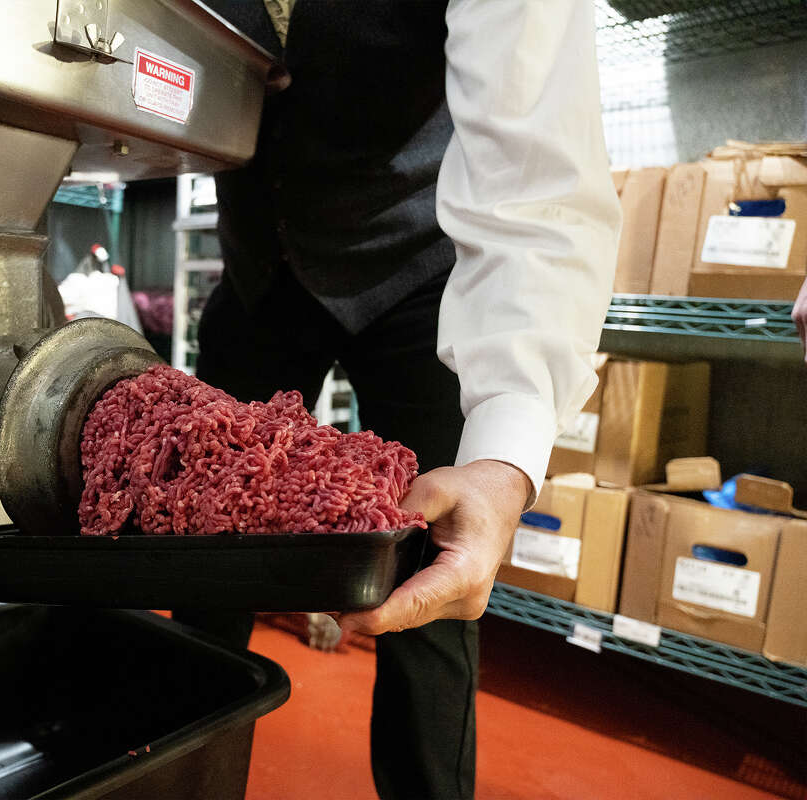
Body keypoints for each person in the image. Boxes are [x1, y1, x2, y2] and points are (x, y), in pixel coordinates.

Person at [174, 2, 622, 798]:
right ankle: (179, 780)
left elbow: (535, 180)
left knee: (431, 576)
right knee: (201, 564)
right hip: (259, 272)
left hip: (415, 272)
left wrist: (504, 451)